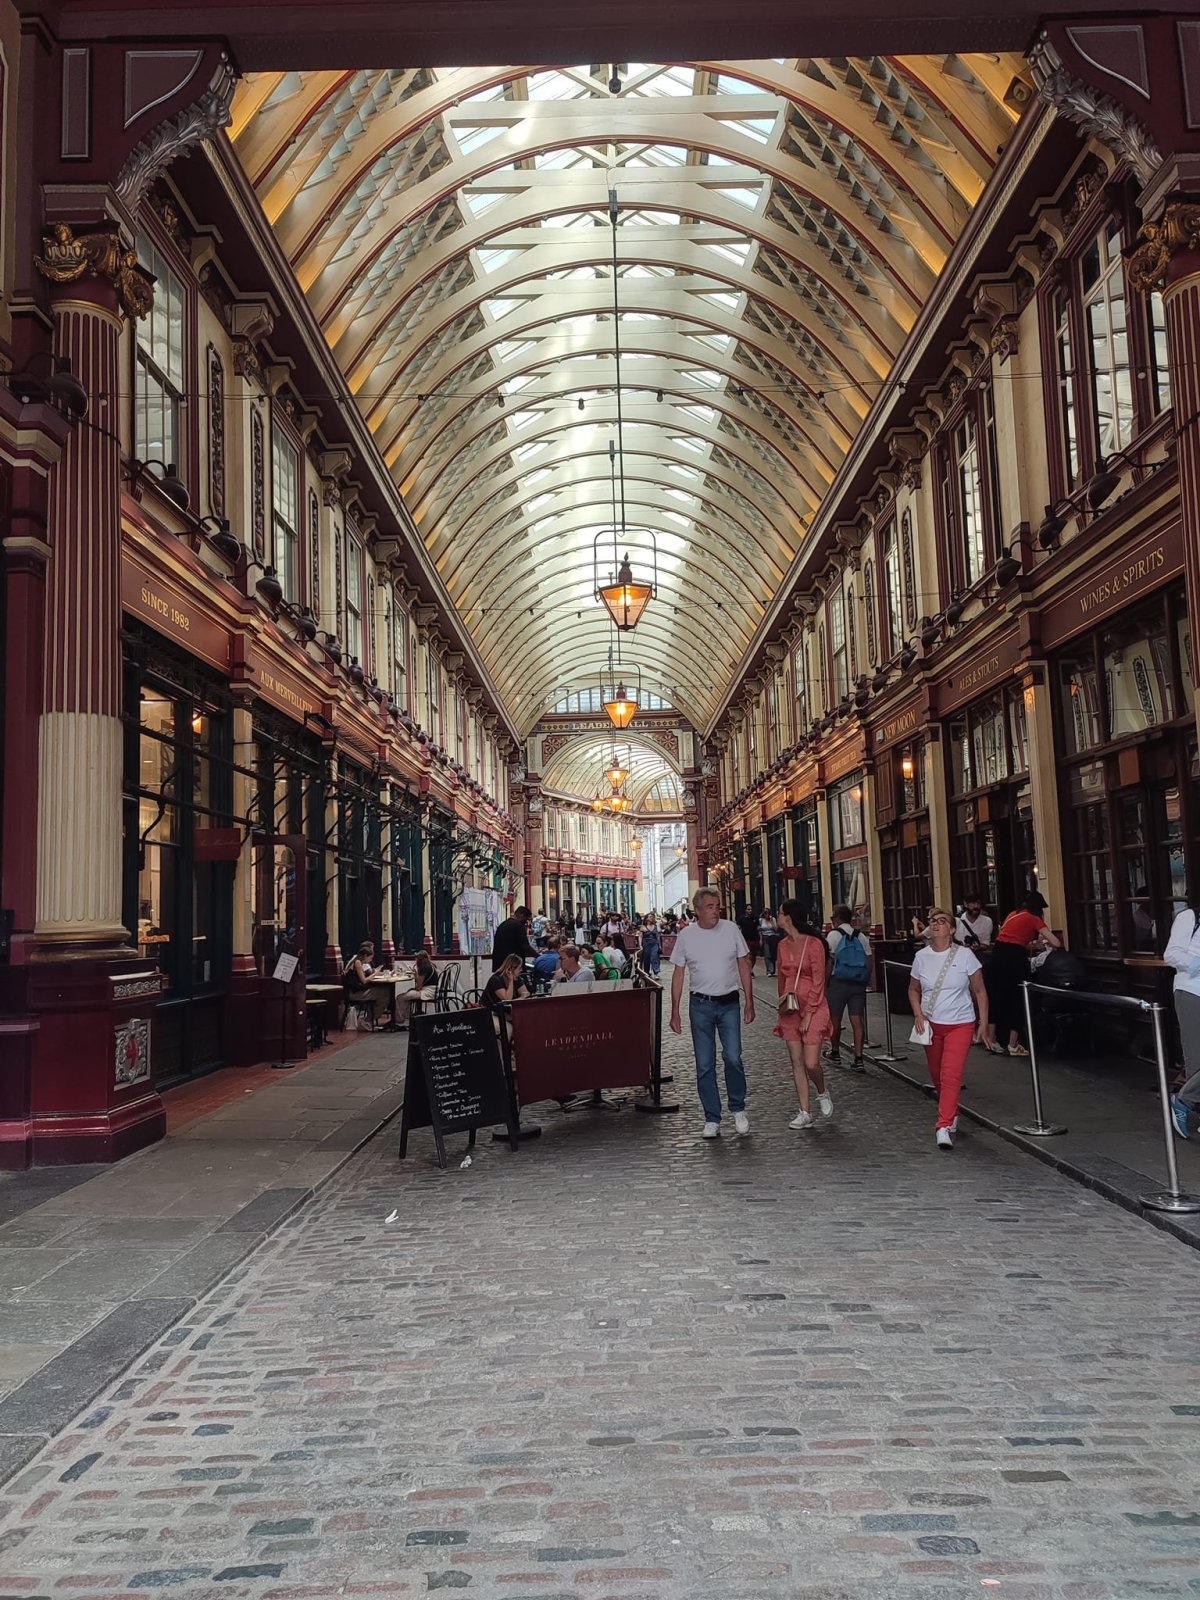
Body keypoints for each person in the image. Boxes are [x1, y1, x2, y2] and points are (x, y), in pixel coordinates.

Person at [669, 887, 755, 1139]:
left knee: (733, 1057)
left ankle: (738, 1108)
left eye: (717, 906)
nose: (715, 911)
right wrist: (675, 1011)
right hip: (701, 1005)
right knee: (704, 1064)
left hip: (729, 1003)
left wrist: (750, 1000)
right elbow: (678, 973)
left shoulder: (731, 930)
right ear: (696, 911)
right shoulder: (686, 936)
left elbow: (743, 963)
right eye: (709, 906)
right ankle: (712, 1117)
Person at [908, 908, 989, 1149]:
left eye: (942, 922)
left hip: (960, 1023)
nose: (935, 925)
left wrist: (983, 1024)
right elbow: (913, 989)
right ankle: (951, 1111)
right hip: (932, 1025)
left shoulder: (965, 956)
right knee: (936, 1074)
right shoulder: (921, 957)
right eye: (933, 921)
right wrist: (917, 1012)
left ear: (952, 930)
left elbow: (980, 991)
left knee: (950, 1074)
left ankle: (943, 1125)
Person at [774, 899, 834, 1130]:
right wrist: (782, 1003)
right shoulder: (781, 946)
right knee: (796, 1062)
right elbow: (781, 978)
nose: (777, 916)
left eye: (780, 913)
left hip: (814, 1006)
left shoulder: (814, 944)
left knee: (811, 1063)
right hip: (791, 1006)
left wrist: (809, 1013)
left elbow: (819, 980)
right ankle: (805, 1111)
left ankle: (822, 1091)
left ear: (789, 916)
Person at [983, 892, 1061, 1055]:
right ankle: (1013, 1044)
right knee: (1018, 1000)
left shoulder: (1013, 914)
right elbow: (1055, 942)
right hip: (1015, 961)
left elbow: (1009, 937)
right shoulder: (1034, 918)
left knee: (996, 998)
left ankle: (991, 1040)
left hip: (997, 956)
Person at [1164, 896, 1200, 1138]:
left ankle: (1184, 1099)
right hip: (1192, 991)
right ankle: (1184, 1103)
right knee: (1197, 1059)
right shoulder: (1190, 917)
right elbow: (1171, 954)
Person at [825, 905, 870, 1071]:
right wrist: (865, 980)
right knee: (857, 1021)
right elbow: (868, 961)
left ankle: (835, 1052)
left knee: (835, 1020)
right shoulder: (861, 936)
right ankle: (859, 1058)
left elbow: (829, 961)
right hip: (858, 982)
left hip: (838, 982)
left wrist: (825, 982)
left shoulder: (833, 935)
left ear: (837, 918)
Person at [342, 940, 390, 1027]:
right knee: (385, 994)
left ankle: (370, 1018)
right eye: (370, 958)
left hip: (358, 990)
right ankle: (368, 1019)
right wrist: (374, 974)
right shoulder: (357, 963)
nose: (370, 960)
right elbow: (364, 980)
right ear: (365, 956)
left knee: (383, 991)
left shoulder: (358, 961)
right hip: (355, 993)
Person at [482, 954, 530, 1030]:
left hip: (506, 1013)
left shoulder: (517, 978)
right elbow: (507, 999)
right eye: (519, 968)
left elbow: (526, 994)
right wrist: (511, 981)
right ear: (510, 970)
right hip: (491, 1013)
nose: (521, 970)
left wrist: (521, 997)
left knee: (528, 1023)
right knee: (510, 1028)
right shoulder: (496, 980)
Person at [393, 949, 437, 1028]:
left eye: (416, 958)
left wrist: (416, 974)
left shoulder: (424, 968)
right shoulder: (430, 965)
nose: (415, 960)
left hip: (427, 991)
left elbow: (419, 985)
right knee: (407, 995)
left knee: (400, 997)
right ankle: (407, 1019)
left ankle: (400, 1021)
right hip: (431, 989)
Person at [491, 905, 537, 972]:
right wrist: (538, 956)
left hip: (500, 963)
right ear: (521, 915)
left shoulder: (503, 925)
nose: (526, 923)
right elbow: (525, 946)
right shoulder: (518, 926)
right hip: (513, 965)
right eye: (526, 919)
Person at [736, 905, 761, 972]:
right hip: (746, 939)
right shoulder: (741, 918)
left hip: (755, 938)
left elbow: (758, 928)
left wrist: (761, 938)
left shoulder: (755, 918)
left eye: (751, 909)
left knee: (754, 956)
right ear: (745, 910)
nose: (750, 911)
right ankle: (750, 970)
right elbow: (738, 928)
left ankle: (751, 968)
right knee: (749, 955)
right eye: (748, 909)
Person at [759, 909, 779, 977]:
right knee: (767, 954)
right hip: (765, 937)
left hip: (773, 937)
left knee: (773, 953)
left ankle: (772, 969)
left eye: (768, 913)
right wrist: (761, 939)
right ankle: (769, 971)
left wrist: (771, 921)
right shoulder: (761, 920)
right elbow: (760, 930)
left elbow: (776, 929)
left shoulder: (773, 919)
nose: (767, 915)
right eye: (765, 914)